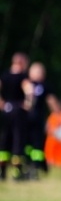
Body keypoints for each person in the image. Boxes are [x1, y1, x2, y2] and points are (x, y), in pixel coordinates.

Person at [22, 62, 59, 178]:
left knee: (37, 145)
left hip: (37, 120)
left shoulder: (44, 86)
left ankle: (35, 167)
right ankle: (27, 165)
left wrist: (58, 116)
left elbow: (51, 102)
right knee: (27, 144)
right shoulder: (25, 84)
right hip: (25, 119)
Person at [0, 52, 30, 180]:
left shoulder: (5, 75)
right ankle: (17, 172)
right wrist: (28, 103)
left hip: (6, 110)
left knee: (4, 139)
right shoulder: (23, 77)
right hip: (18, 110)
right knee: (18, 140)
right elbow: (29, 90)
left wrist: (2, 103)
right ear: (22, 63)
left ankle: (2, 171)